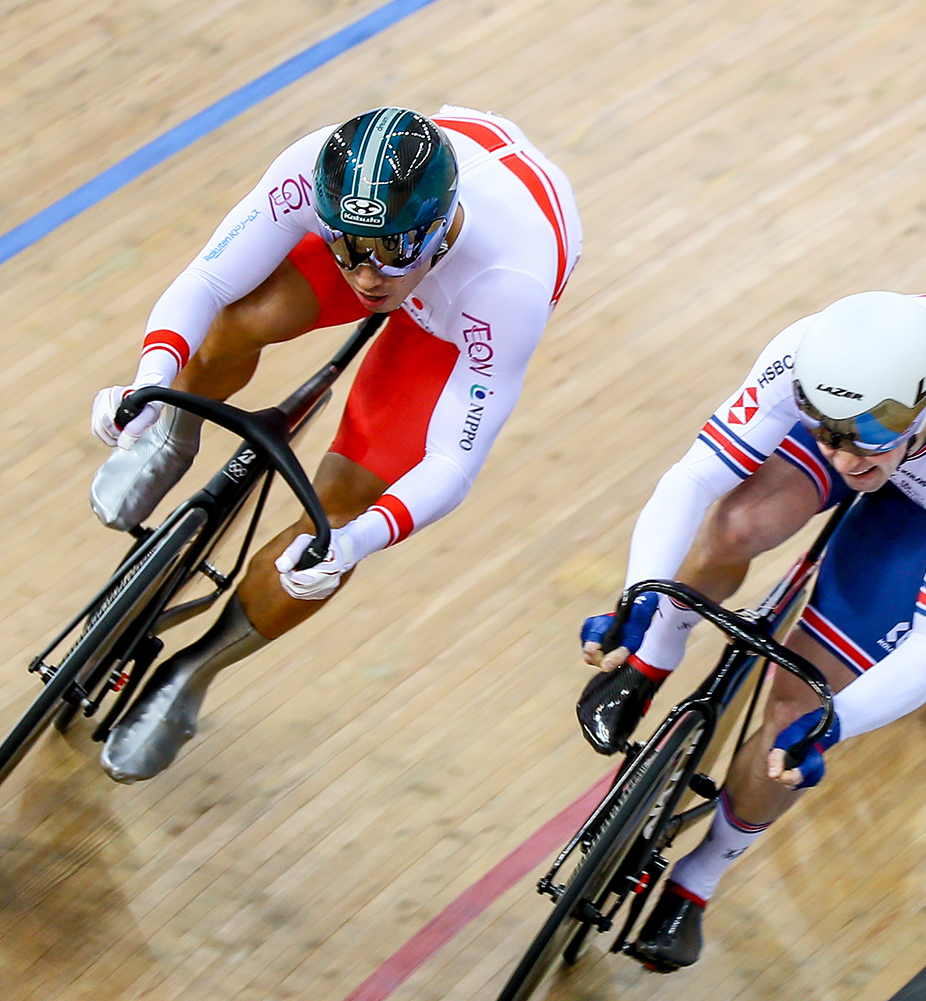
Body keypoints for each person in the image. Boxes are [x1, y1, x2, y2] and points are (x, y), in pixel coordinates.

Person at [87, 105, 580, 782]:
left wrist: (358, 542)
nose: (368, 275)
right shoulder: (318, 175)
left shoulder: (506, 287)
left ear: (438, 228)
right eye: (348, 248)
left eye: (391, 253)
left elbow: (451, 462)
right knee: (245, 314)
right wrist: (150, 381)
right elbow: (206, 279)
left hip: (452, 315)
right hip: (426, 230)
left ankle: (192, 671)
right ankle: (170, 436)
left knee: (336, 516)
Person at [578, 290, 926, 969]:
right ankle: (650, 662)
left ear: (916, 408)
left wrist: (836, 724)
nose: (844, 457)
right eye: (826, 433)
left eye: (866, 439)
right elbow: (692, 481)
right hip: (882, 405)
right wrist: (637, 598)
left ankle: (700, 877)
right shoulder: (806, 359)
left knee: (796, 715)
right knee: (739, 525)